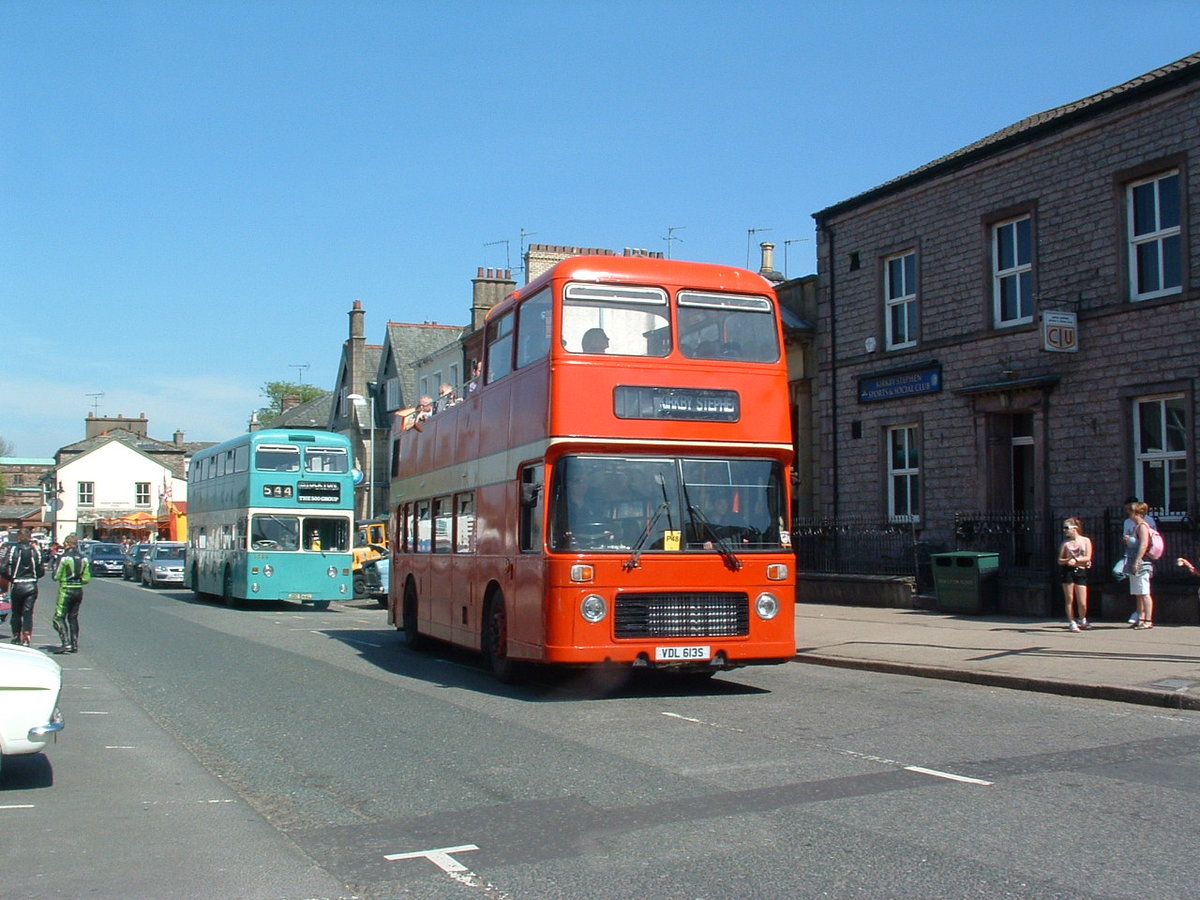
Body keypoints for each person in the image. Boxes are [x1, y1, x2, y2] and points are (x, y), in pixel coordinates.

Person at [3, 527, 45, 646]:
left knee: (16, 612)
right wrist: (35, 577)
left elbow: (2, 568)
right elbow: (41, 569)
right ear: (30, 537)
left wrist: (10, 578)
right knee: (28, 612)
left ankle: (16, 636)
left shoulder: (13, 550)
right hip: (31, 585)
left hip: (18, 584)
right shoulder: (35, 550)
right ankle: (26, 637)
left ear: (19, 538)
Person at [1122, 496, 1159, 624]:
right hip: (1133, 560)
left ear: (1137, 513)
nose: (1129, 514)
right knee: (1138, 593)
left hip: (1142, 563)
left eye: (1131, 511)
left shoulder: (1143, 526)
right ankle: (1140, 617)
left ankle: (1147, 620)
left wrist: (1138, 561)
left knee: (1144, 592)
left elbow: (1143, 545)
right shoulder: (1136, 526)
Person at [52, 534, 91, 654]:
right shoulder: (84, 558)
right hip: (78, 590)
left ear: (66, 544)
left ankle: (66, 643)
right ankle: (74, 644)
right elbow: (86, 578)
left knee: (58, 617)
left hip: (66, 589)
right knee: (73, 617)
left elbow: (56, 576)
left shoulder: (64, 557)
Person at [1058, 517, 1093, 631]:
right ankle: (1071, 621)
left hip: (1080, 570)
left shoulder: (1085, 540)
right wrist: (1067, 560)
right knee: (1069, 598)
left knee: (1082, 601)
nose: (1065, 530)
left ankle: (1082, 618)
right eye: (1064, 528)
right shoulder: (1065, 544)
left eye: (1067, 528)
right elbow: (1059, 560)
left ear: (1075, 528)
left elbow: (1088, 556)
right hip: (1068, 571)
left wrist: (1077, 560)